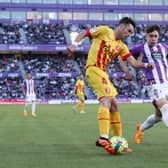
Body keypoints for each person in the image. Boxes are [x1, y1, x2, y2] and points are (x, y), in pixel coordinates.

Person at [67, 17, 154, 154]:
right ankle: (103, 137)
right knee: (106, 99)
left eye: (131, 33)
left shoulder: (122, 46)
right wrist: (74, 45)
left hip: (103, 72)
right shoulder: (104, 30)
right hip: (93, 68)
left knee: (114, 105)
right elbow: (84, 33)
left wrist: (145, 65)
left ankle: (118, 140)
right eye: (128, 31)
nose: (129, 35)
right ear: (121, 26)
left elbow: (132, 62)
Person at [130, 24, 168, 144]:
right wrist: (130, 68)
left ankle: (140, 129)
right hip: (153, 85)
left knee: (158, 116)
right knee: (165, 107)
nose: (153, 38)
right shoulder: (140, 48)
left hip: (166, 83)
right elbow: (123, 54)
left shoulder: (164, 47)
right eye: (151, 36)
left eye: (155, 36)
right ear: (146, 36)